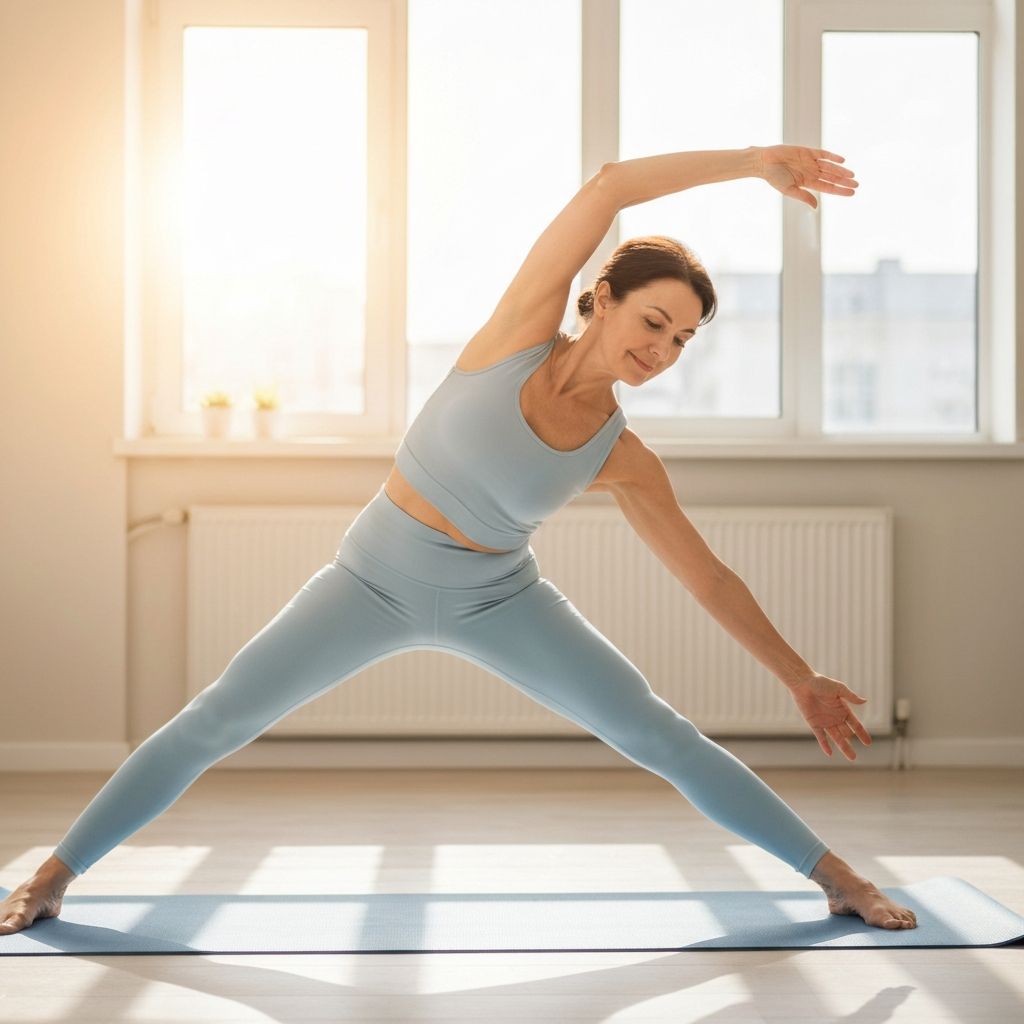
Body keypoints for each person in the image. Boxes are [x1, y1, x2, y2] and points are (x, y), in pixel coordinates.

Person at [0, 144, 917, 935]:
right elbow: (607, 187)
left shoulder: (623, 454)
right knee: (218, 719)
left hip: (499, 600)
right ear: (600, 298)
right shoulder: (514, 334)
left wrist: (798, 676)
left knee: (657, 733)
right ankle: (52, 875)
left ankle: (837, 877)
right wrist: (752, 164)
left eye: (680, 340)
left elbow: (708, 579)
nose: (662, 348)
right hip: (369, 578)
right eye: (653, 321)